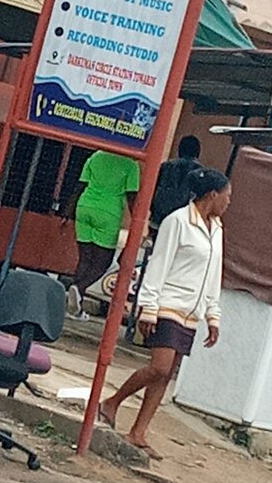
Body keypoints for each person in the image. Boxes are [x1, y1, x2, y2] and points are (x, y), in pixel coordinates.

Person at [99, 168, 231, 459]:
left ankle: (139, 431)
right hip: (168, 304)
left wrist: (213, 314)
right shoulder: (178, 221)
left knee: (166, 375)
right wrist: (148, 307)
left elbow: (214, 273)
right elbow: (159, 264)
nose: (228, 203)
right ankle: (112, 402)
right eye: (226, 196)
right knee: (159, 367)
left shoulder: (217, 228)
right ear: (212, 195)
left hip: (191, 311)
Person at [64, 151, 141, 322]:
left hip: (84, 206)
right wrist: (138, 221)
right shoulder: (131, 165)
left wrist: (68, 210)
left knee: (84, 259)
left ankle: (75, 307)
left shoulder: (96, 156)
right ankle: (79, 287)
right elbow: (132, 196)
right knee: (102, 263)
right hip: (108, 212)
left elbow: (80, 185)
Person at [150, 135, 203, 228]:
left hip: (160, 215)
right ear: (198, 152)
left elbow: (153, 188)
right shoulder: (201, 172)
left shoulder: (166, 166)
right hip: (184, 219)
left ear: (180, 149)